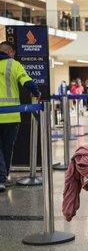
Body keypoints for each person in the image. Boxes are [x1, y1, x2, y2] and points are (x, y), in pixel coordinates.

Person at [0, 42, 41, 192]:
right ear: (10, 52)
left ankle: (2, 178)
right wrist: (37, 92)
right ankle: (2, 178)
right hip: (11, 117)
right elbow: (27, 82)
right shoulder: (14, 64)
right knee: (7, 148)